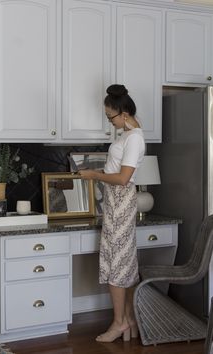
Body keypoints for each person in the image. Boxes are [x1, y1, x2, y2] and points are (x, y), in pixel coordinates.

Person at [79, 84, 145, 343]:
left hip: (121, 200)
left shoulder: (134, 138)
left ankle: (118, 323)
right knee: (123, 263)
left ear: (124, 113)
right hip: (114, 202)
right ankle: (128, 319)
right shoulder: (126, 136)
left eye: (111, 117)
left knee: (117, 265)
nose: (110, 122)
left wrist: (94, 175)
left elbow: (124, 177)